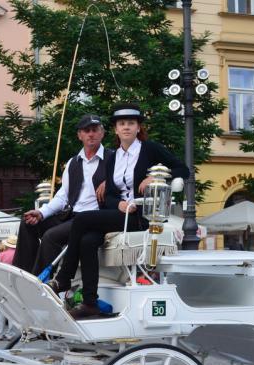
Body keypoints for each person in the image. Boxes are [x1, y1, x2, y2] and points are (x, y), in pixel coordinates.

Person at [49, 103, 189, 319]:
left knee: (82, 220)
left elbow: (183, 168)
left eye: (131, 123)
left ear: (138, 128)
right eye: (121, 124)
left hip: (141, 217)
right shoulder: (113, 157)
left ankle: (64, 277)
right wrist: (119, 204)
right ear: (115, 129)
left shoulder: (150, 149)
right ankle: (90, 302)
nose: (126, 127)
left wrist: (157, 177)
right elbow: (111, 194)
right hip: (119, 214)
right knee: (87, 241)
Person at [13, 114, 113, 276]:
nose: (91, 134)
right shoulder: (73, 163)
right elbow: (62, 196)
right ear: (79, 135)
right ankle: (20, 273)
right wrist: (41, 213)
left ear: (102, 133)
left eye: (95, 130)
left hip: (94, 218)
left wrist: (110, 182)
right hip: (72, 215)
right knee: (28, 224)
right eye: (86, 131)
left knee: (51, 236)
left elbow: (125, 180)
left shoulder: (113, 158)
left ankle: (39, 281)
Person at [0, 236, 18, 339]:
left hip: (1, 284)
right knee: (12, 309)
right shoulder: (18, 254)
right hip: (13, 284)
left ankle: (0, 332)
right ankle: (10, 333)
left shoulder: (1, 255)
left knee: (1, 309)